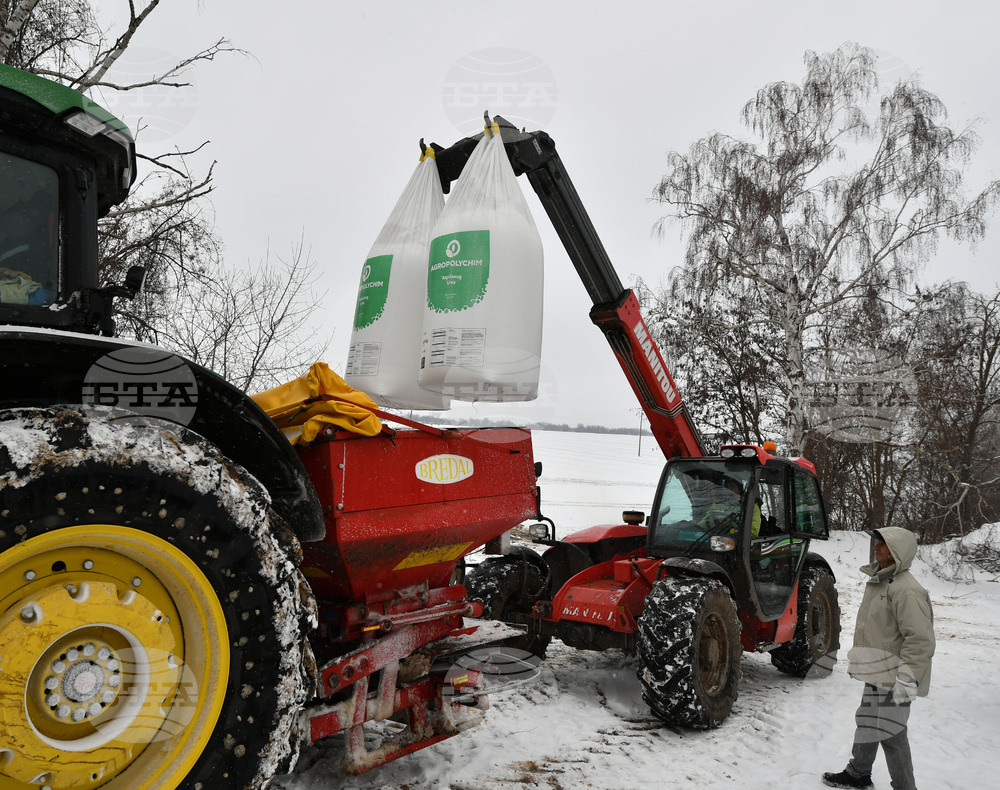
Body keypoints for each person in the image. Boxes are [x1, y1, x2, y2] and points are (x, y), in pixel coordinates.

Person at [823, 527, 935, 790]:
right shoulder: (881, 581)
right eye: (876, 543)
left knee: (892, 734)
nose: (876, 547)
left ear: (898, 550)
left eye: (883, 544)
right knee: (867, 721)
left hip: (896, 677)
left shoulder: (906, 590)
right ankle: (858, 773)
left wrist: (908, 680)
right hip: (877, 672)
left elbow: (920, 640)